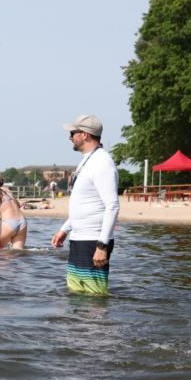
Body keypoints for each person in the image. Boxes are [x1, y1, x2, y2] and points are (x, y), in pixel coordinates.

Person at [51, 115, 120, 295]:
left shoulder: (102, 162)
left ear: (85, 135)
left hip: (93, 240)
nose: (70, 137)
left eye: (73, 133)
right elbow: (84, 202)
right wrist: (65, 229)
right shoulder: (88, 160)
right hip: (79, 238)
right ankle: (78, 324)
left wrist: (102, 246)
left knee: (93, 297)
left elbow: (112, 205)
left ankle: (95, 325)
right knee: (75, 293)